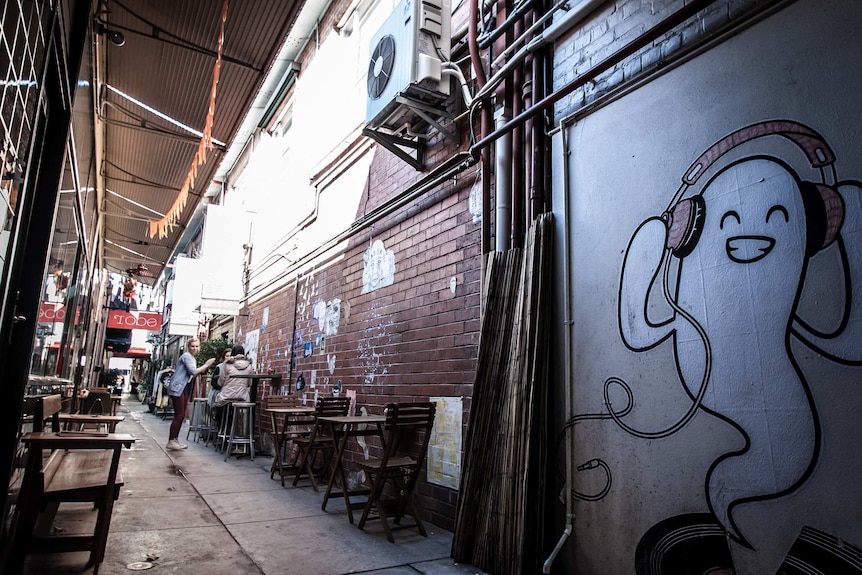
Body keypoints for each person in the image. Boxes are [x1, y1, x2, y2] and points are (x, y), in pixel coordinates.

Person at [166, 338, 214, 450]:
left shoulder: (192, 358)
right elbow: (193, 371)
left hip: (182, 387)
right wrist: (207, 365)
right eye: (193, 346)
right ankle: (171, 440)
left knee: (181, 414)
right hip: (177, 387)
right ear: (189, 347)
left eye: (197, 346)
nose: (195, 348)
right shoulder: (187, 356)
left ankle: (174, 440)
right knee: (179, 414)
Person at [215, 344, 252, 409]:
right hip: (243, 397)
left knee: (219, 404)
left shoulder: (227, 364)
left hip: (226, 396)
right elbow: (249, 384)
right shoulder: (249, 365)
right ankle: (239, 418)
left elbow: (221, 382)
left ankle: (221, 418)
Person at [209, 347, 231, 425]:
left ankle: (226, 428)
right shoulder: (219, 367)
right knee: (220, 406)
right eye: (227, 356)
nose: (229, 358)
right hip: (219, 391)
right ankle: (219, 425)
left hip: (229, 393)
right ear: (224, 357)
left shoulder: (233, 367)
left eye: (230, 356)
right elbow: (213, 382)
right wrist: (222, 388)